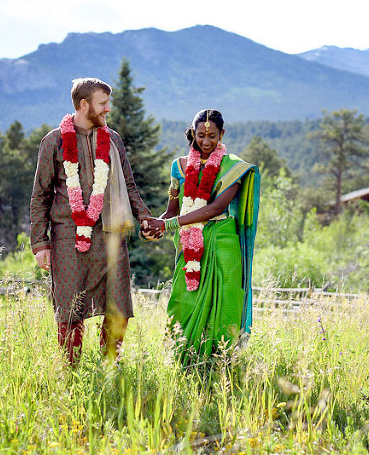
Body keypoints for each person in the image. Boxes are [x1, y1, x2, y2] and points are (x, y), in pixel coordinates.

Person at [30, 77, 153, 365]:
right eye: (103, 103)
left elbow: (130, 186)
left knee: (119, 308)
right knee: (70, 310)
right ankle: (70, 372)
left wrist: (145, 217)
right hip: (68, 240)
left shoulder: (113, 140)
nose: (108, 109)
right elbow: (41, 195)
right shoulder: (54, 142)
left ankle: (109, 367)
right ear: (84, 105)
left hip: (111, 236)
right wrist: (40, 243)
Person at [144, 109, 260, 366]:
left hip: (222, 241)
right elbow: (172, 211)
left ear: (222, 135)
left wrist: (170, 224)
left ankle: (221, 362)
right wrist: (155, 227)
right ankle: (182, 360)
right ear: (192, 133)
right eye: (200, 135)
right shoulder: (178, 166)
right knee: (184, 300)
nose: (206, 141)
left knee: (226, 300)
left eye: (212, 136)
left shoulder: (233, 167)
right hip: (190, 244)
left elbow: (216, 208)